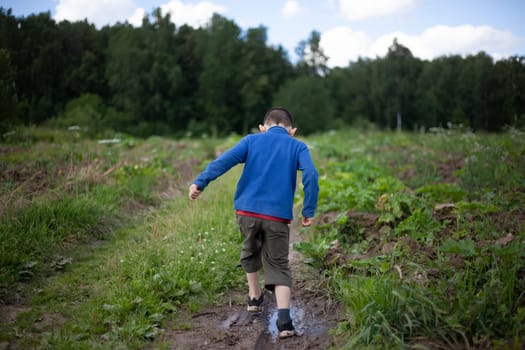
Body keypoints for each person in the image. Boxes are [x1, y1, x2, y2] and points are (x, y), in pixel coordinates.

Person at [188, 107, 319, 339]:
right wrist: (308, 209)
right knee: (278, 264)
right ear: (292, 131)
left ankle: (255, 296)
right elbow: (310, 174)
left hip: (246, 211)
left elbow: (223, 162)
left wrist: (200, 181)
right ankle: (285, 322)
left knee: (250, 250)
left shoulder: (251, 140)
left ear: (262, 128)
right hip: (277, 217)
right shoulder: (297, 146)